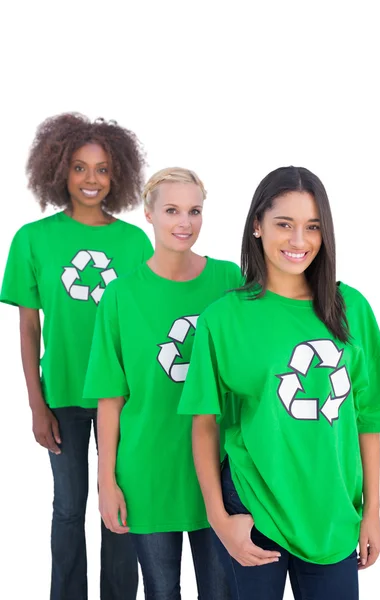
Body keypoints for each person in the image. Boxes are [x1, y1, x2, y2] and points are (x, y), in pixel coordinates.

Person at [178, 165, 380, 600]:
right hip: (255, 505)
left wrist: (372, 512)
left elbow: (369, 417)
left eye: (312, 227)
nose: (299, 241)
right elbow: (204, 422)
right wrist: (218, 518)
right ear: (258, 226)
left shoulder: (350, 308)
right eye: (285, 224)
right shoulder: (224, 319)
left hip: (331, 514)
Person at [0, 113, 153, 600]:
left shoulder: (134, 242)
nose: (92, 180)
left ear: (118, 175)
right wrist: (35, 403)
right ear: (58, 170)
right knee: (69, 507)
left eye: (103, 169)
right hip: (63, 392)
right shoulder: (33, 239)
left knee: (120, 504)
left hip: (123, 398)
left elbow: (146, 326)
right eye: (80, 168)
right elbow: (29, 326)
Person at [83, 167, 240, 599]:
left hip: (218, 471)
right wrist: (106, 480)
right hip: (147, 472)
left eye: (194, 211)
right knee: (160, 591)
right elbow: (111, 399)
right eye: (172, 210)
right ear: (148, 214)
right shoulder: (120, 296)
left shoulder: (230, 282)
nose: (184, 222)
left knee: (223, 592)